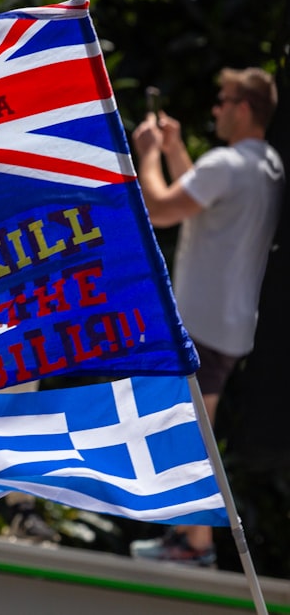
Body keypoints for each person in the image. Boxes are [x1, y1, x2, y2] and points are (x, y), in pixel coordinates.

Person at [128, 67, 284, 566]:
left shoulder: (227, 164)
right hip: (231, 323)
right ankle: (191, 540)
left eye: (222, 101)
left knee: (192, 433)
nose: (215, 110)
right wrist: (175, 152)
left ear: (242, 108)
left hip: (204, 323)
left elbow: (161, 208)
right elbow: (207, 197)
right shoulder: (265, 164)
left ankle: (195, 545)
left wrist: (148, 152)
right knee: (196, 430)